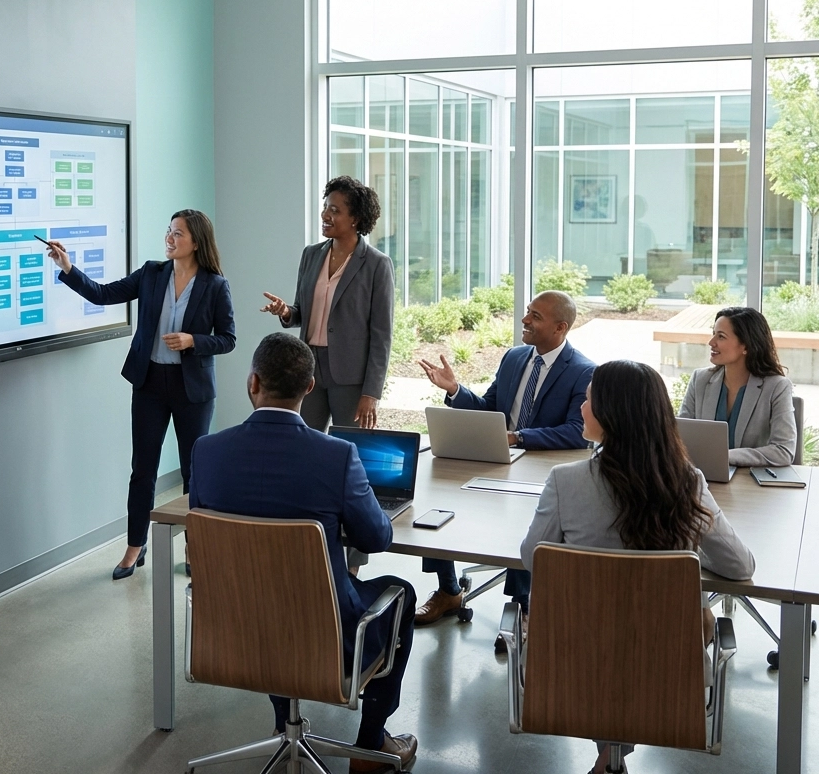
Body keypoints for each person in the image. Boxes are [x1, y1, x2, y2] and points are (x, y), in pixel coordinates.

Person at [188, 333, 417, 773]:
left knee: (266, 586)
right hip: (322, 641)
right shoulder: (337, 455)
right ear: (310, 388)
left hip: (233, 633)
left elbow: (206, 535)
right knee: (400, 592)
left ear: (252, 383)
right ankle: (371, 743)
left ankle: (282, 724)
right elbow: (375, 539)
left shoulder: (207, 451)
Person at [521, 360, 755, 774]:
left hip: (573, 658)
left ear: (612, 413)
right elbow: (739, 565)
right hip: (665, 665)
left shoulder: (565, 481)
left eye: (589, 399)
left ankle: (609, 757)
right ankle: (611, 759)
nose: (581, 408)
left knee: (602, 630)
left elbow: (532, 558)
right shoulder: (687, 482)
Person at [46, 209, 235, 579]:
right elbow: (102, 294)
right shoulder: (152, 274)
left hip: (191, 389)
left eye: (177, 233)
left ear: (196, 241)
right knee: (142, 470)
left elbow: (228, 339)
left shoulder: (214, 285)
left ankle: (195, 544)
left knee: (195, 472)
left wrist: (192, 340)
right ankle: (136, 544)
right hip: (149, 383)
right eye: (168, 231)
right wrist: (68, 268)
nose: (169, 238)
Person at [416, 290, 594, 632]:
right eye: (528, 312)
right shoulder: (514, 358)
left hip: (540, 467)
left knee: (529, 520)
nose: (525, 320)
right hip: (496, 456)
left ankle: (522, 608)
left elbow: (577, 431)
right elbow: (489, 410)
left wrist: (518, 437)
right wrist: (455, 391)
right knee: (438, 491)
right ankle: (448, 589)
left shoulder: (583, 371)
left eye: (535, 316)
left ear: (560, 327)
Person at [261, 175, 394, 432]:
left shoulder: (377, 265)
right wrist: (286, 311)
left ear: (355, 218)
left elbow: (382, 335)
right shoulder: (311, 254)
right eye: (325, 207)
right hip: (308, 368)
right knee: (305, 444)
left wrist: (372, 393)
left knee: (351, 448)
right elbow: (301, 311)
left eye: (335, 210)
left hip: (351, 376)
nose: (325, 215)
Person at [679, 306, 796, 468]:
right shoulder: (700, 380)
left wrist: (726, 456)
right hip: (705, 478)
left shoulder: (777, 387)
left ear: (746, 346)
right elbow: (680, 438)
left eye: (721, 337)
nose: (711, 343)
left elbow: (783, 451)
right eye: (713, 334)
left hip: (751, 483)